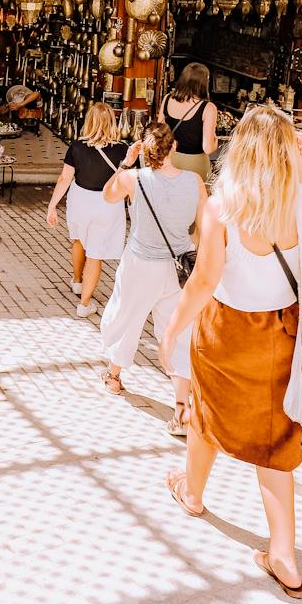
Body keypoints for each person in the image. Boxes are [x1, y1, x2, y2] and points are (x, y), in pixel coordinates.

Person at [160, 105, 302, 600]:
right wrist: (301, 166)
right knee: (277, 440)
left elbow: (204, 280)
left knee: (206, 414)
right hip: (282, 333)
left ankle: (192, 493)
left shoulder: (223, 204)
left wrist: (173, 326)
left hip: (227, 330)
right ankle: (283, 552)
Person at [97, 121, 203, 436]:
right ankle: (181, 410)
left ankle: (114, 377)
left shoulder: (134, 178)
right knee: (176, 334)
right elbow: (203, 226)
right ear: (174, 148)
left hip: (141, 263)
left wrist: (126, 162)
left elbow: (107, 195)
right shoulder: (195, 181)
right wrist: (191, 251)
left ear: (145, 150)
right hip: (178, 268)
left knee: (126, 318)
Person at [45, 102, 128, 318]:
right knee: (96, 254)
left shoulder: (77, 147)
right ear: (112, 121)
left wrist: (52, 206)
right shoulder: (123, 149)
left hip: (80, 201)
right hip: (108, 204)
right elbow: (129, 183)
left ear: (88, 122)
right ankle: (84, 304)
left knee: (79, 241)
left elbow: (65, 179)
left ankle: (77, 281)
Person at [158, 63, 218, 178]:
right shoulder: (208, 108)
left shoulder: (167, 99)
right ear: (204, 82)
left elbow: (160, 134)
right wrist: (215, 139)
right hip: (195, 165)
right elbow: (208, 148)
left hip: (169, 161)